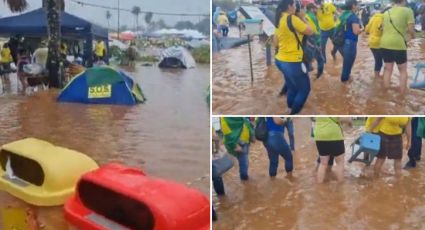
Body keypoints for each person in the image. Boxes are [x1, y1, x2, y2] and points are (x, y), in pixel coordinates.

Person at [274, 0, 314, 115]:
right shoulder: (292, 19)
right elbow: (310, 31)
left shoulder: (279, 19)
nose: (296, 7)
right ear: (289, 6)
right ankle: (292, 114)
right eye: (295, 5)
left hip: (280, 60)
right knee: (304, 89)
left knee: (292, 87)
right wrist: (303, 17)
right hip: (293, 62)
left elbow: (275, 43)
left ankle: (289, 107)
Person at [380, 0, 415, 94]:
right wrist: (412, 36)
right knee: (402, 70)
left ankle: (385, 93)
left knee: (387, 69)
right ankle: (402, 95)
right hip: (398, 44)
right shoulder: (408, 11)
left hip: (384, 43)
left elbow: (383, 28)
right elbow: (411, 29)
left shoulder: (386, 12)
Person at [314, 117, 352, 183]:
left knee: (323, 163)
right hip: (334, 135)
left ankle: (319, 186)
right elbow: (343, 119)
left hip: (319, 135)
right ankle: (341, 186)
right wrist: (350, 121)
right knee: (339, 163)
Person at [334, 0, 362, 82]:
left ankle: (346, 80)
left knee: (347, 63)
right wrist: (362, 29)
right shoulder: (353, 17)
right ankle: (344, 86)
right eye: (357, 5)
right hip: (350, 43)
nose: (358, 6)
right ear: (353, 6)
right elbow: (356, 31)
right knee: (348, 65)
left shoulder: (342, 15)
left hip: (340, 42)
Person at [365, 8, 387, 78]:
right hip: (380, 43)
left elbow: (366, 30)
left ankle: (376, 78)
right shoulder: (385, 19)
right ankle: (385, 78)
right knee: (388, 62)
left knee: (378, 61)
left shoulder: (373, 18)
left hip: (371, 42)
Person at [305, 3, 325, 79]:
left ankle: (308, 70)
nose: (316, 10)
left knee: (308, 60)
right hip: (313, 42)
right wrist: (319, 44)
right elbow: (315, 32)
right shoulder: (312, 17)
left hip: (306, 42)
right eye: (315, 8)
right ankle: (319, 76)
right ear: (312, 9)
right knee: (321, 60)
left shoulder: (305, 16)